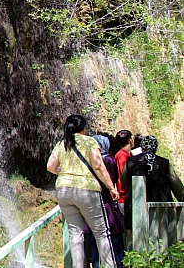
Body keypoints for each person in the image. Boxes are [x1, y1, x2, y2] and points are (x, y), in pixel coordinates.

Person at [46, 115, 118, 268]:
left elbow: (50, 166)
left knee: (75, 233)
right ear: (83, 128)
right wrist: (111, 187)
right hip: (86, 189)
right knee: (101, 232)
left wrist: (65, 175)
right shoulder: (89, 141)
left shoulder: (62, 143)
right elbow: (98, 166)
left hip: (63, 190)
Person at [121, 136, 184, 231]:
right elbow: (176, 184)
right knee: (161, 234)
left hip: (135, 205)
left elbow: (123, 180)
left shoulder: (131, 162)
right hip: (161, 205)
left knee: (135, 234)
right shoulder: (164, 163)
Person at [85, 135, 124, 268]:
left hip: (91, 203)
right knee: (114, 238)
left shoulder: (89, 161)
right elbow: (112, 179)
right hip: (107, 203)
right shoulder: (109, 160)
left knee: (94, 239)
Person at [114, 130, 133, 215]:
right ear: (130, 140)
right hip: (124, 197)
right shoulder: (122, 156)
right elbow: (123, 175)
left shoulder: (124, 155)